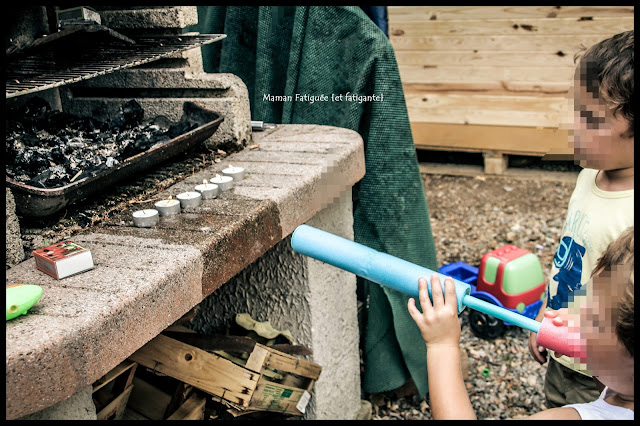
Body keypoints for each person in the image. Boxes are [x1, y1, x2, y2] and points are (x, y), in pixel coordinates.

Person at [407, 226, 634, 419]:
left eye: (594, 321)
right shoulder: (624, 384)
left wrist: (442, 345)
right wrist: (592, 346)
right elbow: (615, 371)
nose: (579, 314)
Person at [527, 29, 634, 408]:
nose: (574, 125)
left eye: (591, 118)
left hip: (603, 374)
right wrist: (546, 311)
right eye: (576, 109)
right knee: (556, 403)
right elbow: (570, 256)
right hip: (562, 350)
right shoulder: (590, 174)